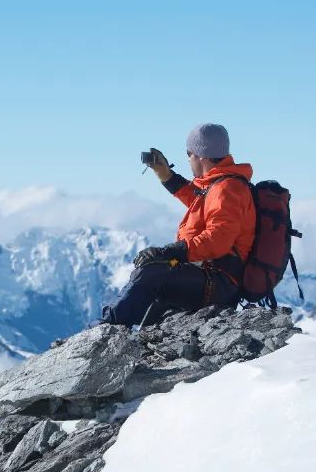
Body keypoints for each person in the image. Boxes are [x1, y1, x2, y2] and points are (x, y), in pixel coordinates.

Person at [101, 123, 257, 326]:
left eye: (188, 153)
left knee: (150, 273)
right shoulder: (220, 185)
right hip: (211, 274)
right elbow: (199, 201)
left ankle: (103, 331)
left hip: (219, 281)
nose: (187, 158)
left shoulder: (227, 188)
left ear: (201, 154)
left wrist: (171, 251)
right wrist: (165, 175)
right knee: (154, 278)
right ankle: (113, 330)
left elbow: (218, 239)